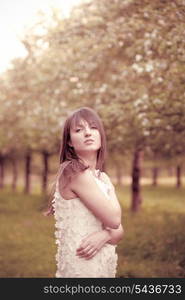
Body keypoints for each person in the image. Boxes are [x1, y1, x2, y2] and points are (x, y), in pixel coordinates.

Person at [44, 106, 124, 278]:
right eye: (79, 130)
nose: (88, 133)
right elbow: (115, 220)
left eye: (93, 127)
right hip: (83, 264)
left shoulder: (101, 177)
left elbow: (119, 233)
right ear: (70, 142)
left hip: (101, 260)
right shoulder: (75, 172)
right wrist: (111, 190)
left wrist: (104, 234)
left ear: (101, 135)